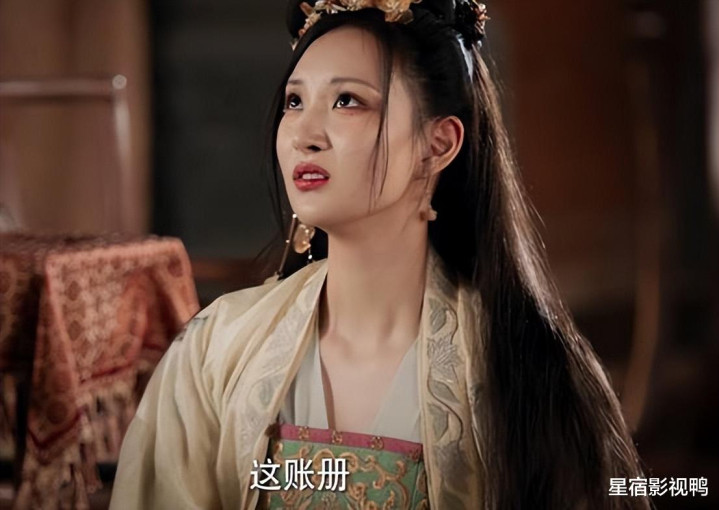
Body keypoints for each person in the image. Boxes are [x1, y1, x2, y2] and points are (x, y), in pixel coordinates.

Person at [110, 1, 651, 508]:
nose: (304, 134)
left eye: (347, 101)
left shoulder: (524, 363)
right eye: (295, 101)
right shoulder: (217, 350)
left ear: (438, 144)